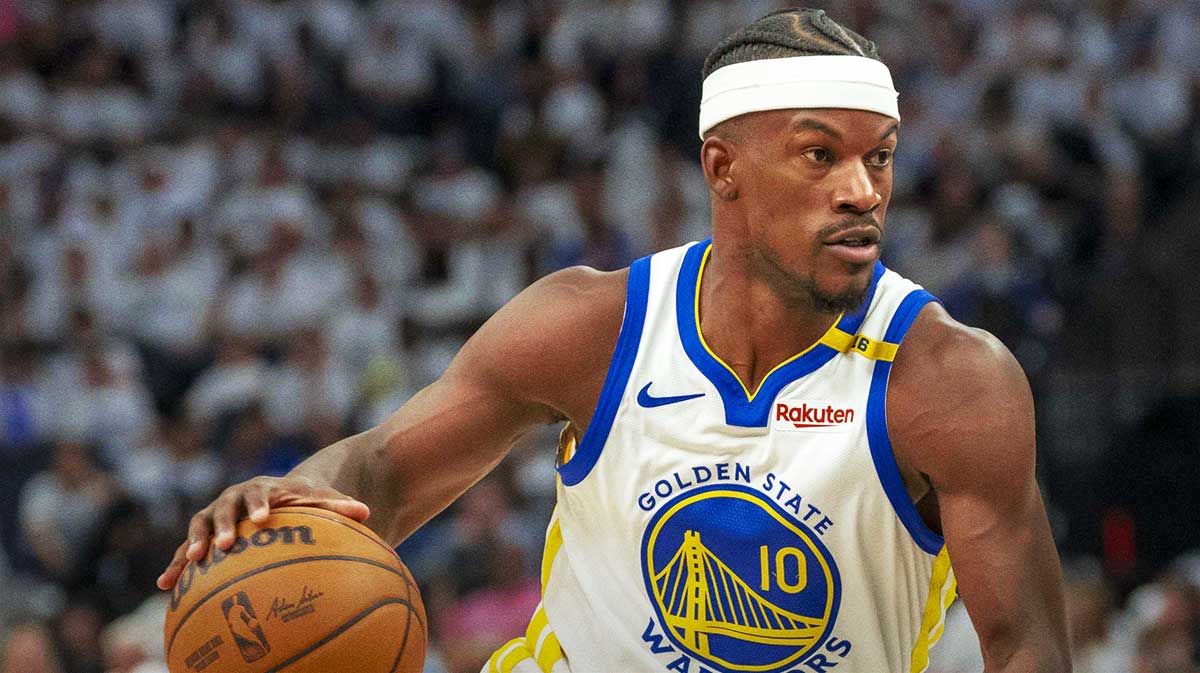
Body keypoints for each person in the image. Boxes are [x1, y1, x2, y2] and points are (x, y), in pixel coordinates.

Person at [158, 8, 1071, 672]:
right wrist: (292, 499)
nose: (863, 190)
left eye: (880, 155)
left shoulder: (951, 380)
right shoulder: (593, 327)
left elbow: (1027, 647)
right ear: (723, 168)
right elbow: (382, 476)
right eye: (818, 153)